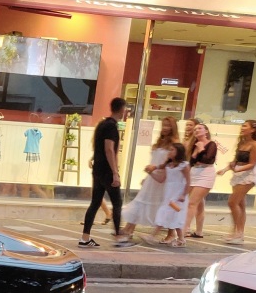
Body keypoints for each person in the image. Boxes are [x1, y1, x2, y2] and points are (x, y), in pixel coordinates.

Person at [115, 116, 179, 247]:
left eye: (168, 125)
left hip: (164, 177)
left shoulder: (175, 143)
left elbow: (173, 163)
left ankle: (171, 233)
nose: (165, 128)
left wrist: (156, 169)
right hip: (152, 176)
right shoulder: (160, 142)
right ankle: (129, 228)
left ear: (173, 127)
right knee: (141, 201)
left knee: (164, 205)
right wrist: (149, 174)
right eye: (163, 125)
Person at [79, 97, 125, 247]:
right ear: (122, 110)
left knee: (95, 202)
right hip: (107, 170)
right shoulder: (111, 127)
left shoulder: (102, 124)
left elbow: (98, 146)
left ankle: (85, 238)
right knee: (117, 202)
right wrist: (115, 173)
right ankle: (119, 237)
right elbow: (109, 149)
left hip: (98, 169)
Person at [218, 119, 256, 245]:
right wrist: (226, 169)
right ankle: (238, 232)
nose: (242, 128)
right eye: (242, 126)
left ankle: (238, 232)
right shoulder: (242, 143)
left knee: (232, 202)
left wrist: (239, 169)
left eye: (245, 126)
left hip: (248, 175)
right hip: (238, 174)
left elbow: (252, 163)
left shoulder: (255, 144)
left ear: (253, 129)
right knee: (241, 205)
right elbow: (235, 161)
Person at [151, 142, 191, 247]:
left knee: (171, 214)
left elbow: (188, 181)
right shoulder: (168, 165)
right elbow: (161, 179)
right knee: (169, 214)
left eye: (172, 150)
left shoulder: (184, 165)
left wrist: (184, 194)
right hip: (169, 194)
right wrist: (150, 173)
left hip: (178, 195)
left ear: (178, 152)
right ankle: (181, 239)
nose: (169, 152)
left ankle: (152, 236)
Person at [185, 122, 218, 239]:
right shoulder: (194, 144)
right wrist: (196, 151)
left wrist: (201, 149)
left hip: (206, 174)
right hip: (195, 172)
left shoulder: (211, 144)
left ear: (206, 131)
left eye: (199, 128)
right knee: (199, 204)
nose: (197, 130)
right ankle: (199, 231)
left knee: (191, 203)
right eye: (195, 129)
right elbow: (192, 161)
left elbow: (208, 160)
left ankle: (185, 229)